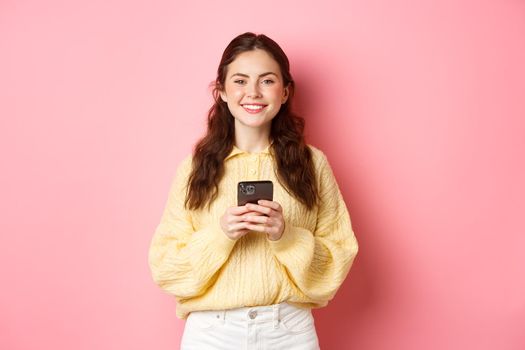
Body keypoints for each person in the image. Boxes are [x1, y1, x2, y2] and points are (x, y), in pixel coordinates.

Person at [148, 32, 359, 350]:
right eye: (241, 81)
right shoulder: (194, 167)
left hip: (289, 331)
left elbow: (337, 261)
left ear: (285, 91)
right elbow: (166, 267)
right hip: (211, 334)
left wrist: (286, 236)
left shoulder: (312, 164)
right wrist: (222, 234)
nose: (253, 93)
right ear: (221, 90)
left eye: (267, 81)